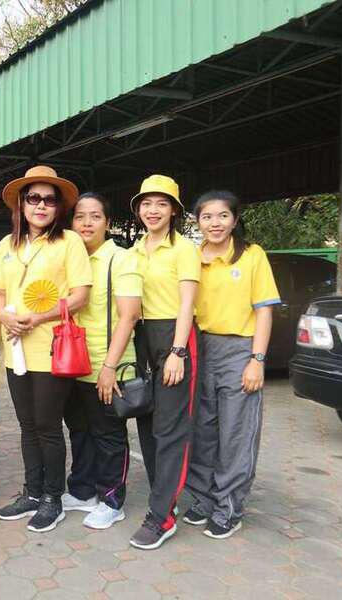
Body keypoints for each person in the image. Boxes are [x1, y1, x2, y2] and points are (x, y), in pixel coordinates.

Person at [0, 165, 92, 533]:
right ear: (21, 203)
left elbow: (80, 295)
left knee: (48, 425)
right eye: (34, 198)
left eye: (49, 200)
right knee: (27, 425)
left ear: (58, 207)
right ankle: (32, 492)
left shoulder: (69, 242)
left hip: (52, 348)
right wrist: (4, 316)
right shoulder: (7, 244)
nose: (41, 205)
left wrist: (40, 317)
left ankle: (53, 497)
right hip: (15, 347)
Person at [185, 190, 279, 539]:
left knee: (236, 432)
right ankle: (203, 499)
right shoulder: (192, 258)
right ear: (197, 221)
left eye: (223, 216)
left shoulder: (252, 255)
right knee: (202, 429)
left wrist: (257, 360)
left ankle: (229, 507)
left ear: (235, 220)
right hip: (201, 347)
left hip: (240, 349)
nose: (215, 223)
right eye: (207, 216)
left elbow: (264, 311)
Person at [127, 174, 201, 550]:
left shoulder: (184, 249)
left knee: (170, 428)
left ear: (174, 210)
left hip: (175, 334)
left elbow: (187, 302)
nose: (153, 210)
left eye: (161, 204)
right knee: (147, 420)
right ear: (138, 209)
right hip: (143, 336)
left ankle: (162, 517)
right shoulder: (134, 249)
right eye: (146, 203)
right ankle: (164, 496)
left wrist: (178, 351)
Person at [63, 192, 142, 530]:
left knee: (108, 435)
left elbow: (129, 315)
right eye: (80, 216)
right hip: (72, 363)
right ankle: (83, 491)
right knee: (79, 430)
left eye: (95, 216)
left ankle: (111, 499)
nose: (86, 223)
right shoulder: (69, 259)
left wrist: (109, 367)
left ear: (107, 223)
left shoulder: (121, 259)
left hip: (107, 363)